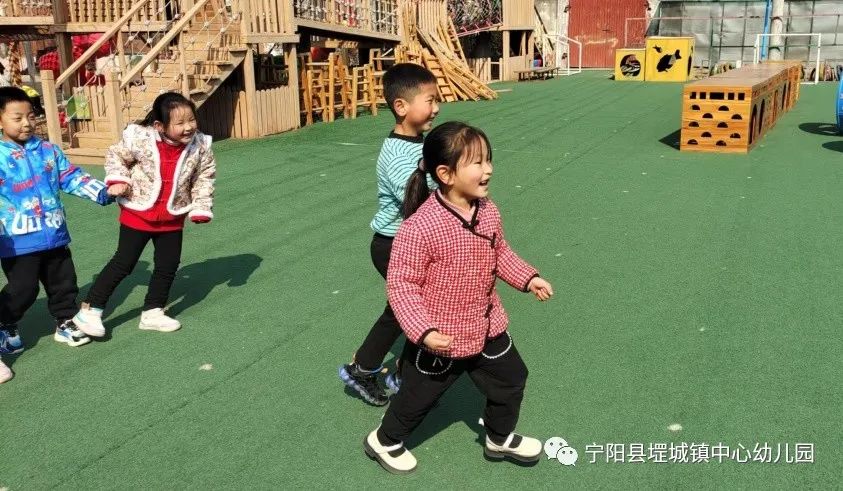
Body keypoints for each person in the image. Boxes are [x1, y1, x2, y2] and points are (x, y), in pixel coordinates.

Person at [363, 121, 554, 474]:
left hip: (487, 325)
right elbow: (402, 285)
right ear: (445, 174)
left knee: (512, 378)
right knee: (418, 397)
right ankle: (384, 440)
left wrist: (528, 278)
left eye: (488, 159)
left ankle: (499, 437)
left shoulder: (487, 210)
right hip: (442, 337)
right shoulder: (420, 226)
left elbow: (501, 253)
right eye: (477, 162)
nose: (488, 169)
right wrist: (423, 331)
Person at [73, 92, 216, 337]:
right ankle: (90, 309)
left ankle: (153, 311)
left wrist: (201, 206)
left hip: (172, 217)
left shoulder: (200, 146)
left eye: (191, 120)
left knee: (168, 265)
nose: (188, 127)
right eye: (180, 123)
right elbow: (116, 156)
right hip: (138, 212)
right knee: (123, 263)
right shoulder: (140, 139)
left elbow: (204, 177)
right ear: (159, 126)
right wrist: (119, 180)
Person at [338, 63, 439, 406]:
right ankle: (371, 370)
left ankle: (397, 370)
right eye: (430, 100)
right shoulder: (396, 154)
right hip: (393, 244)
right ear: (401, 106)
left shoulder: (420, 143)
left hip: (413, 243)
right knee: (408, 308)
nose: (436, 108)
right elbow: (415, 202)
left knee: (413, 307)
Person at [0, 87, 111, 383]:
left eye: (31, 116)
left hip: (55, 232)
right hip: (17, 240)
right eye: (17, 118)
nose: (26, 123)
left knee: (63, 282)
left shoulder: (48, 150)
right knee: (22, 289)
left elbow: (70, 176)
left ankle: (65, 321)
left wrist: (102, 191)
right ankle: (5, 323)